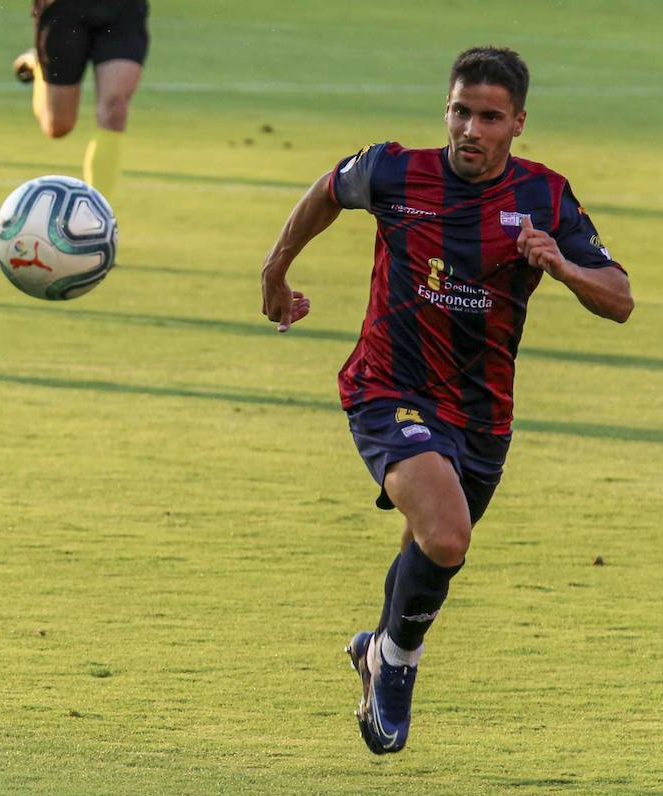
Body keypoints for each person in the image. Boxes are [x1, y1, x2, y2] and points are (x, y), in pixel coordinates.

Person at [258, 47, 632, 755]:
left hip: (482, 415)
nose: (470, 128)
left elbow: (620, 300)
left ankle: (379, 648)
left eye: (489, 116)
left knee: (431, 547)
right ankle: (397, 664)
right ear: (447, 109)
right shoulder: (397, 171)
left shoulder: (545, 197)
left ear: (516, 123)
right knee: (447, 532)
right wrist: (276, 268)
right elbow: (328, 190)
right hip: (387, 388)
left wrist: (561, 264)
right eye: (460, 110)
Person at [13, 0, 149, 202]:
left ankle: (97, 212)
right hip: (64, 9)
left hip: (123, 9)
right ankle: (38, 65)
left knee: (115, 106)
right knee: (58, 126)